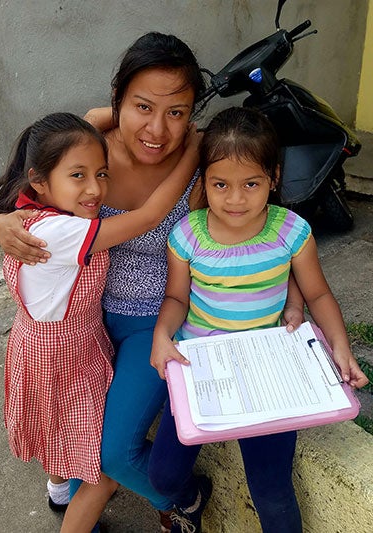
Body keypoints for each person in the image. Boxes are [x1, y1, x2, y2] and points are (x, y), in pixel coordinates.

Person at [0, 34, 305, 532]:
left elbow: (253, 231)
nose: (158, 128)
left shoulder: (202, 162)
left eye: (177, 112)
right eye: (142, 106)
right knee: (74, 432)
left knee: (113, 453)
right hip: (85, 324)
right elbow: (30, 179)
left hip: (153, 321)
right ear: (117, 101)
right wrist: (1, 219)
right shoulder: (87, 145)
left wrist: (291, 290)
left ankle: (182, 495)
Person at [149, 106, 369, 532]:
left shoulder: (291, 231)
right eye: (220, 184)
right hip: (201, 369)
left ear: (275, 177)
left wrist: (339, 346)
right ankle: (191, 500)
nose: (235, 198)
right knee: (164, 476)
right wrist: (162, 334)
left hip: (266, 373)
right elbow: (176, 296)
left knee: (270, 488)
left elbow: (319, 291)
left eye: (251, 183)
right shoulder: (188, 234)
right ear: (204, 182)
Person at [0, 110, 201, 533]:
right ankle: (163, 500)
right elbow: (150, 216)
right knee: (99, 473)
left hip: (37, 349)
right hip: (69, 358)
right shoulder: (61, 233)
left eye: (102, 174)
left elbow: (88, 123)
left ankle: (58, 492)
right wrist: (192, 146)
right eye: (78, 176)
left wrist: (125, 114)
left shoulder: (29, 212)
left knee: (53, 430)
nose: (95, 188)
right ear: (40, 180)